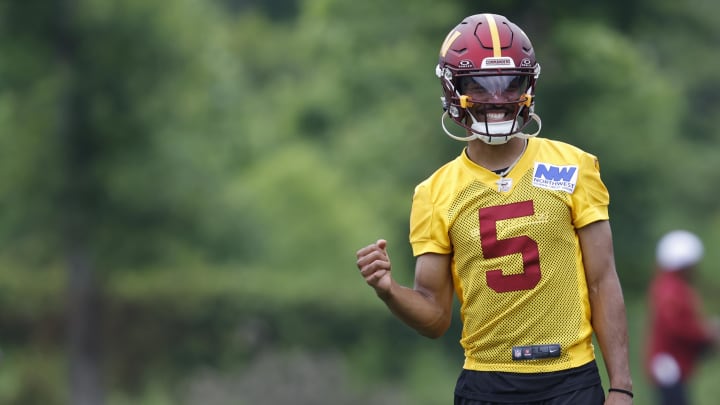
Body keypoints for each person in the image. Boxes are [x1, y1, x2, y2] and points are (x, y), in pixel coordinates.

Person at [355, 13, 634, 404]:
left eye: (510, 84)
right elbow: (435, 318)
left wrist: (620, 386)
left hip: (569, 378)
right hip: (488, 382)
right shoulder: (435, 191)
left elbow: (603, 281)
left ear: (529, 86)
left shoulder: (574, 166)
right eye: (480, 86)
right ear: (453, 89)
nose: (498, 98)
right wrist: (389, 291)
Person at [645, 230, 720, 405]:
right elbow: (676, 325)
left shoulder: (669, 286)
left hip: (674, 363)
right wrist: (706, 333)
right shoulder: (671, 289)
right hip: (670, 364)